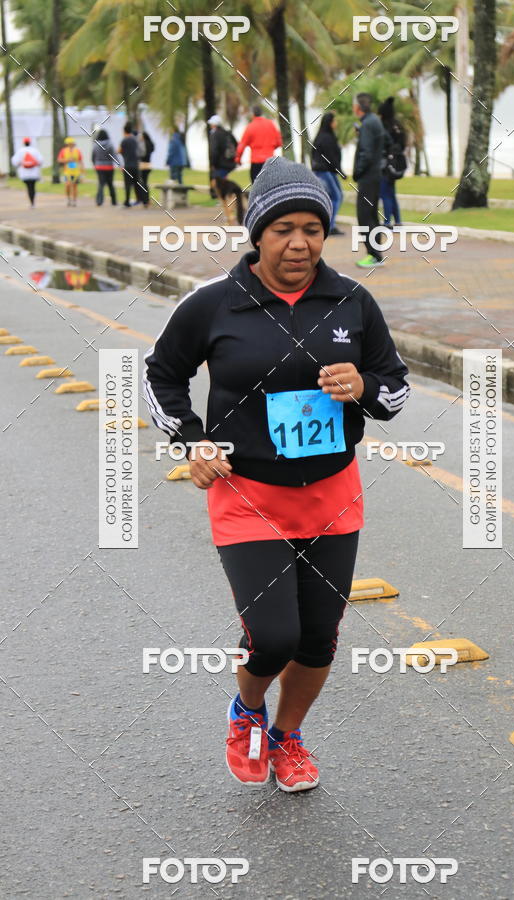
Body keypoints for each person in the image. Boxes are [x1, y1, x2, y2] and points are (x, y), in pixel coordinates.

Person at [143, 157, 410, 793]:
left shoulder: (352, 300)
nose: (299, 243)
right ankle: (248, 714)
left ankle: (287, 737)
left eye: (313, 229)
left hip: (332, 496)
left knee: (317, 636)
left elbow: (395, 389)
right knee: (272, 635)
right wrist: (191, 440)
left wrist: (363, 386)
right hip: (248, 495)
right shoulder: (214, 305)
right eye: (284, 228)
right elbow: (159, 375)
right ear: (257, 233)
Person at [352, 93, 385, 268]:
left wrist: (357, 172)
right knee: (372, 215)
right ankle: (376, 253)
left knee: (364, 216)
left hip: (367, 177)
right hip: (375, 176)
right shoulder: (374, 121)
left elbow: (366, 152)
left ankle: (374, 255)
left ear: (358, 107)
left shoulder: (368, 123)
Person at [311, 112, 346, 235]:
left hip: (324, 171)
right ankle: (330, 226)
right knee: (337, 196)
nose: (336, 124)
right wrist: (340, 171)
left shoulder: (321, 136)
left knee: (332, 197)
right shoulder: (326, 138)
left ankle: (330, 224)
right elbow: (331, 157)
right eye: (334, 121)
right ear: (330, 123)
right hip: (325, 171)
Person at [208, 114, 244, 225]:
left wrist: (213, 164)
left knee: (222, 192)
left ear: (214, 125)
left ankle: (230, 216)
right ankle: (231, 214)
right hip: (230, 165)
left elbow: (214, 151)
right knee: (228, 190)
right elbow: (237, 145)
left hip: (220, 166)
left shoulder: (215, 135)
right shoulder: (228, 133)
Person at [378, 97, 407, 228]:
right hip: (396, 165)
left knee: (385, 193)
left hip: (385, 165)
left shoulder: (384, 126)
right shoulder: (398, 125)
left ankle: (387, 221)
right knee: (391, 192)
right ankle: (398, 220)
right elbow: (402, 145)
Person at [235, 105, 282, 182]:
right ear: (261, 113)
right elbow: (279, 143)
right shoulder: (271, 124)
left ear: (252, 114)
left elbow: (241, 146)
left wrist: (238, 159)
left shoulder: (250, 127)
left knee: (256, 187)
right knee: (272, 185)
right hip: (270, 161)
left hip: (256, 163)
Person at [11, 137, 43, 208]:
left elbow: (15, 161)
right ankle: (33, 201)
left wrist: (21, 164)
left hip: (25, 173)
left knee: (29, 187)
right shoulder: (35, 150)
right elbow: (40, 161)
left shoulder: (20, 151)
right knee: (33, 187)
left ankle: (31, 202)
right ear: (30, 143)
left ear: (24, 143)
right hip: (34, 173)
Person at [118, 122, 144, 207]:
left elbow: (119, 151)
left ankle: (127, 201)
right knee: (137, 183)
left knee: (127, 184)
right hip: (135, 165)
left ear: (124, 131)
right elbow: (139, 151)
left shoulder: (124, 140)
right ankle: (139, 200)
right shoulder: (135, 140)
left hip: (127, 165)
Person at [91, 129, 117, 206]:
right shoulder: (110, 144)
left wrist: (94, 164)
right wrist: (119, 164)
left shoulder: (95, 145)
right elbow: (114, 156)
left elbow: (93, 157)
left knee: (101, 184)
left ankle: (99, 201)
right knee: (110, 184)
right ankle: (114, 201)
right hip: (109, 167)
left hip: (99, 167)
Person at [57, 136, 83, 207]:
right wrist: (67, 160)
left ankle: (74, 201)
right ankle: (68, 199)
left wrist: (82, 171)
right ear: (67, 144)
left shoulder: (77, 151)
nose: (71, 145)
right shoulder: (63, 151)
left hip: (76, 172)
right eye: (69, 144)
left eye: (72, 144)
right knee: (67, 185)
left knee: (75, 186)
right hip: (67, 172)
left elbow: (80, 161)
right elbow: (59, 160)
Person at [138, 130, 155, 207]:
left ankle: (145, 200)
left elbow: (141, 154)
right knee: (145, 182)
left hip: (142, 165)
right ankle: (147, 200)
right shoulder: (151, 144)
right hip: (148, 165)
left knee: (143, 183)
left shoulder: (143, 144)